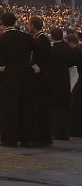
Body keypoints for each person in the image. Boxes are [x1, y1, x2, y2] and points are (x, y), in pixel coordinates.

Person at [0, 12, 38, 147]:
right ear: (15, 22)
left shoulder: (1, 40)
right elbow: (36, 49)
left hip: (9, 77)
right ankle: (25, 138)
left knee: (9, 108)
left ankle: (9, 138)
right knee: (25, 107)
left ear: (3, 23)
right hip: (25, 76)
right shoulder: (26, 37)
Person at [28, 16, 53, 146]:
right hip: (40, 78)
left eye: (29, 24)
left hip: (41, 79)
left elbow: (43, 59)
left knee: (41, 108)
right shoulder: (38, 38)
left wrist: (36, 67)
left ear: (33, 25)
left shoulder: (42, 39)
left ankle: (42, 137)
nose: (28, 26)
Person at [48, 28, 74, 140]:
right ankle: (65, 131)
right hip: (65, 77)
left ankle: (57, 131)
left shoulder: (53, 50)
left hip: (55, 80)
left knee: (56, 106)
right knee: (64, 105)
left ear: (52, 37)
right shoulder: (67, 48)